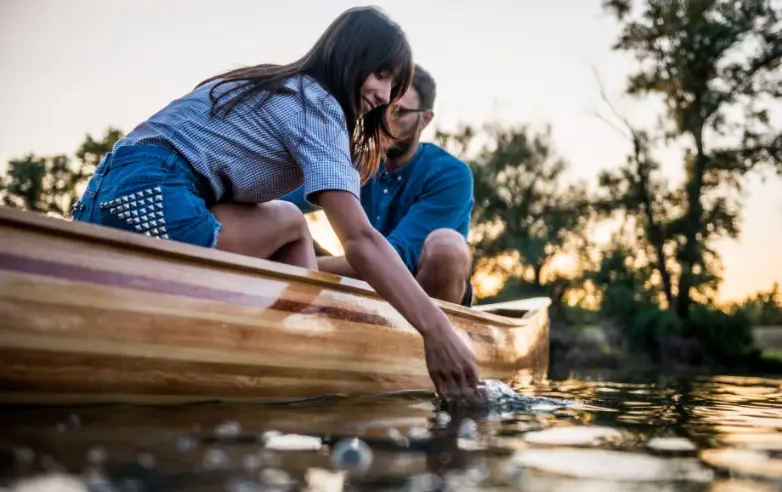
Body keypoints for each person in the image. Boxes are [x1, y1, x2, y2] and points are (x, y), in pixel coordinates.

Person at [70, 6, 483, 405]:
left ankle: (278, 347)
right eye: (380, 74)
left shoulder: (271, 85)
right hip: (158, 200)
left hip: (99, 202)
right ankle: (299, 357)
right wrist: (436, 329)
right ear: (349, 56)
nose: (382, 95)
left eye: (394, 86)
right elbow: (358, 239)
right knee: (290, 222)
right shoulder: (318, 108)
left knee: (287, 221)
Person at [282, 64, 475, 306]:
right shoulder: (353, 161)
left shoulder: (450, 174)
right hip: (366, 285)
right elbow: (278, 199)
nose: (385, 122)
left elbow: (399, 258)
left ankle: (439, 337)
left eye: (399, 112)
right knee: (280, 218)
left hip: (421, 289)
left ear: (424, 120)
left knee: (447, 247)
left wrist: (297, 265)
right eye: (382, 110)